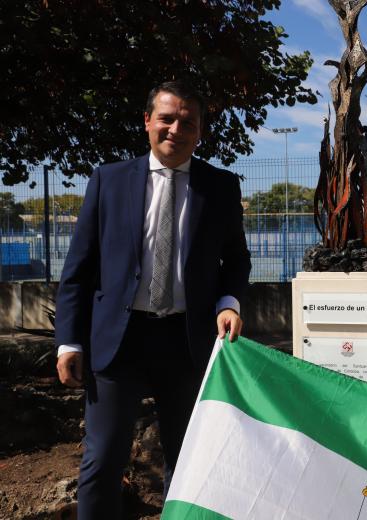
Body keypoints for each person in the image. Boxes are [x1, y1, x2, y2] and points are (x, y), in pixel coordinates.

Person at [54, 81, 251, 519]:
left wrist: (229, 302)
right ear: (147, 121)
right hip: (117, 343)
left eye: (188, 122)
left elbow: (236, 261)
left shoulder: (220, 187)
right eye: (166, 118)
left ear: (199, 132)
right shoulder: (108, 179)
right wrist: (69, 340)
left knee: (188, 463)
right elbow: (78, 270)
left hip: (186, 342)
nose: (175, 129)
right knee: (102, 460)